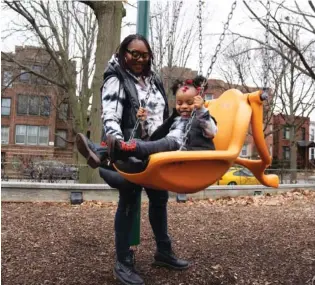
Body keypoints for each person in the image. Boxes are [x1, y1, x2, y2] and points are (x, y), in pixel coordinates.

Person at [80, 34, 189, 285]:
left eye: (144, 55)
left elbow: (159, 117)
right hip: (128, 149)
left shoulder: (154, 80)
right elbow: (110, 116)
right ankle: (123, 261)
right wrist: (119, 144)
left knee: (159, 198)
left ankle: (163, 251)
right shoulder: (116, 79)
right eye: (133, 53)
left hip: (152, 150)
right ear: (122, 53)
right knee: (129, 196)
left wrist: (177, 120)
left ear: (150, 56)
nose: (139, 59)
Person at [106, 78, 217, 162]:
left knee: (162, 143)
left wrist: (201, 110)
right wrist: (143, 121)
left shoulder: (202, 118)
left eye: (189, 103)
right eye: (179, 103)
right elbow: (156, 136)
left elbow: (211, 132)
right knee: (144, 142)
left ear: (198, 102)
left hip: (184, 150)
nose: (183, 106)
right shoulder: (176, 120)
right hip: (169, 145)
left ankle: (124, 148)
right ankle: (103, 151)